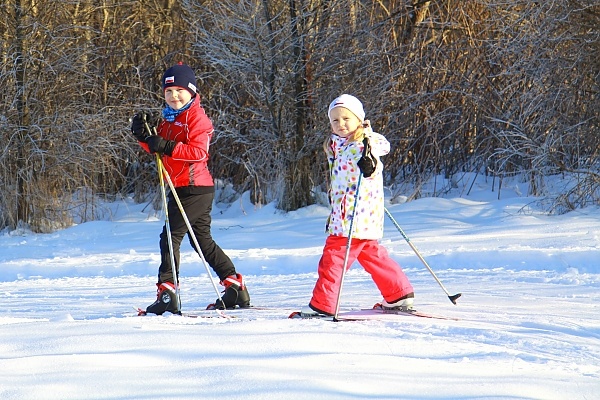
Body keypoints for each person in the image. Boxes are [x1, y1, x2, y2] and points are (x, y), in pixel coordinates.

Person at [130, 62, 250, 315]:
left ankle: (167, 292)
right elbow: (157, 149)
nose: (174, 96)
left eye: (179, 91)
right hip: (179, 186)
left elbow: (198, 152)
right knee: (202, 241)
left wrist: (165, 145)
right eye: (168, 91)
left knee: (170, 236)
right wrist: (144, 136)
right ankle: (234, 285)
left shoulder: (197, 118)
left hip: (195, 186)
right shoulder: (168, 118)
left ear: (192, 92)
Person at [302, 94, 414, 317]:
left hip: (353, 216)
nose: (341, 124)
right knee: (371, 255)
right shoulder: (338, 145)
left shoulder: (361, 143)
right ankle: (398, 293)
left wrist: (369, 158)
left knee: (333, 258)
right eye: (335, 120)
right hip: (358, 216)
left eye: (346, 118)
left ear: (359, 120)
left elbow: (380, 149)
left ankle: (323, 304)